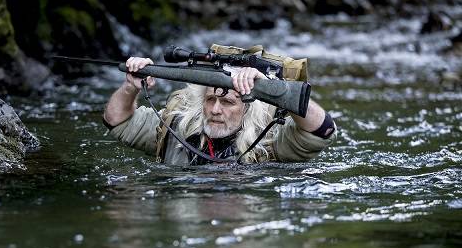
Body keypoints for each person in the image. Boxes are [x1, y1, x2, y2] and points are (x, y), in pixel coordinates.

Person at [103, 57, 336, 165]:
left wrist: (277, 91)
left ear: (247, 108)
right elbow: (117, 122)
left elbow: (322, 131)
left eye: (228, 103)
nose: (215, 109)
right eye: (211, 99)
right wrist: (129, 87)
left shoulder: (270, 138)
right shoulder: (176, 127)